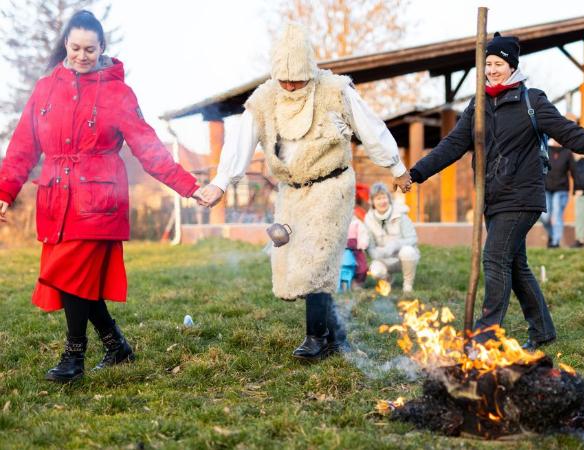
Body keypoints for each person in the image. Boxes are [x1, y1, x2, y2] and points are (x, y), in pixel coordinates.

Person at [0, 11, 203, 382]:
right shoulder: (45, 88)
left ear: (102, 48)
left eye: (90, 49)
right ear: (65, 44)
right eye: (75, 47)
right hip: (56, 200)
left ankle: (73, 357)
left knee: (69, 275)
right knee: (74, 279)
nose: (82, 55)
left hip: (97, 201)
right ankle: (115, 345)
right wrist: (5, 190)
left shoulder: (116, 93)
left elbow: (147, 146)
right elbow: (23, 146)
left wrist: (189, 186)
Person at [196, 23, 411, 361]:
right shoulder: (264, 99)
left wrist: (396, 167)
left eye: (299, 79)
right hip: (292, 192)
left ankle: (316, 337)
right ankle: (337, 335)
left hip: (331, 186)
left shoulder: (335, 90)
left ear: (310, 71)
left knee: (317, 259)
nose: (293, 85)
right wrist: (220, 182)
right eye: (286, 79)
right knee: (292, 260)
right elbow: (240, 142)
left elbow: (370, 128)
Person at [406, 32, 584, 351]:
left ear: (511, 66)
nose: (492, 70)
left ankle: (487, 333)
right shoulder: (478, 105)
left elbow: (574, 136)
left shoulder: (532, 101)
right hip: (492, 198)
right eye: (487, 64)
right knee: (516, 266)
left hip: (522, 196)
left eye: (498, 64)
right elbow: (452, 145)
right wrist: (416, 172)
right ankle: (543, 330)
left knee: (494, 257)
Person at [363, 182, 419, 294]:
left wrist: (396, 244)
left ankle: (407, 285)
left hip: (401, 257)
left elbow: (413, 238)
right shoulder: (368, 220)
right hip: (383, 259)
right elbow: (371, 247)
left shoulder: (401, 214)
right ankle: (387, 280)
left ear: (389, 198)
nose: (382, 201)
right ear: (373, 202)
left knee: (408, 251)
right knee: (375, 271)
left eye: (384, 197)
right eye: (378, 199)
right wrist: (378, 253)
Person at [540, 142, 575, 248]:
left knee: (557, 215)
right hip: (546, 189)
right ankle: (552, 235)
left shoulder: (567, 152)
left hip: (561, 189)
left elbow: (574, 171)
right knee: (544, 217)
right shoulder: (545, 150)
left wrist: (577, 187)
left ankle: (555, 243)